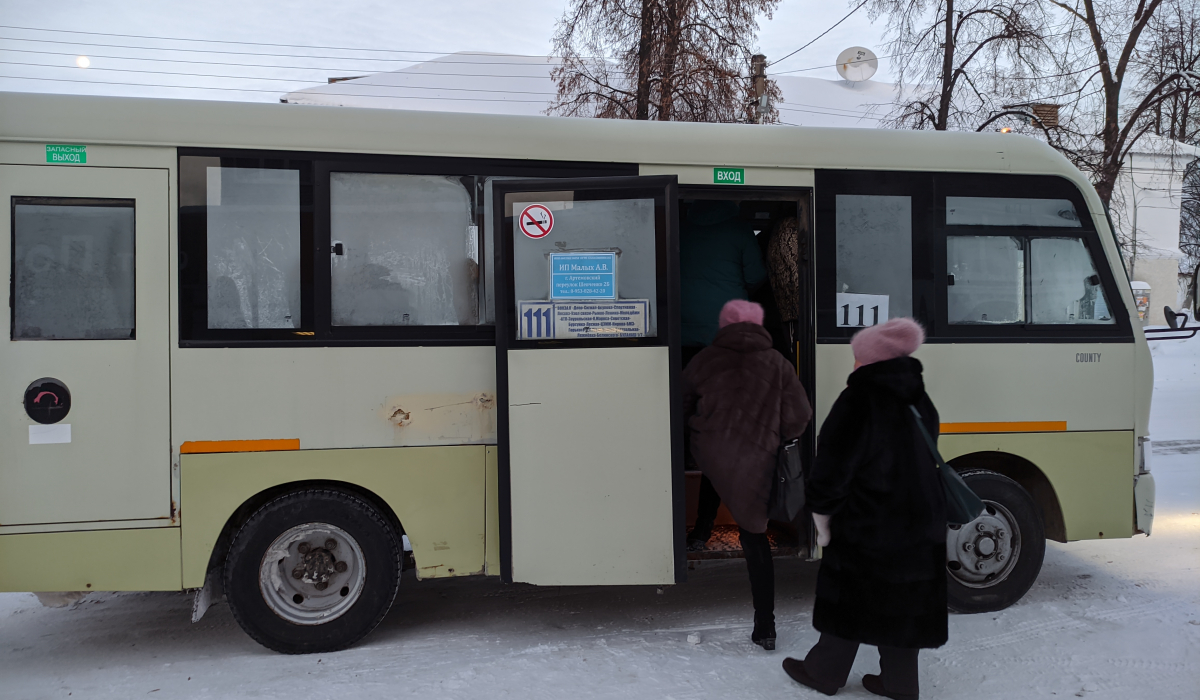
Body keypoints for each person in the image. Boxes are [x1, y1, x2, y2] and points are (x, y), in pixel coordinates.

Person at [782, 318, 946, 700]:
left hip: (871, 521)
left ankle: (824, 672)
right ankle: (900, 683)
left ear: (868, 361)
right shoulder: (919, 398)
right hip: (920, 519)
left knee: (851, 595)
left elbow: (832, 467)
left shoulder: (858, 398)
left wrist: (822, 519)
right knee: (903, 600)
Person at [682, 299, 813, 651]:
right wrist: (775, 435)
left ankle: (701, 531)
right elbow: (800, 417)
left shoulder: (704, 360)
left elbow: (680, 404)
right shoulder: (777, 363)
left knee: (717, 473)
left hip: (714, 457)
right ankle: (765, 626)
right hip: (759, 461)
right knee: (755, 539)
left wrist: (701, 433)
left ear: (724, 325)